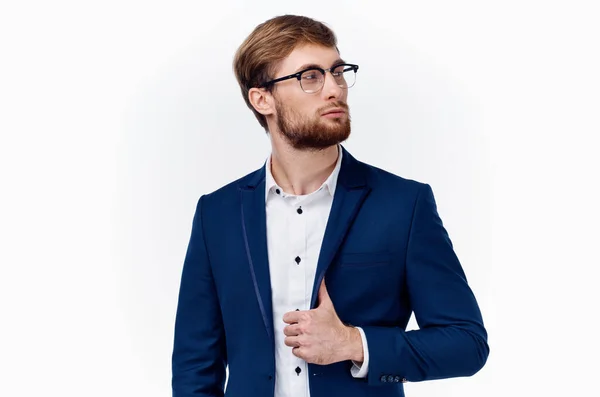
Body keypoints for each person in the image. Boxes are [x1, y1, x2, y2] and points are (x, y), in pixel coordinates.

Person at [171, 14, 489, 397]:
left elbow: (467, 344)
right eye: (310, 76)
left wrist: (354, 344)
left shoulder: (403, 205)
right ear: (262, 98)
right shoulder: (216, 214)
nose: (334, 89)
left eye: (338, 72)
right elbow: (194, 366)